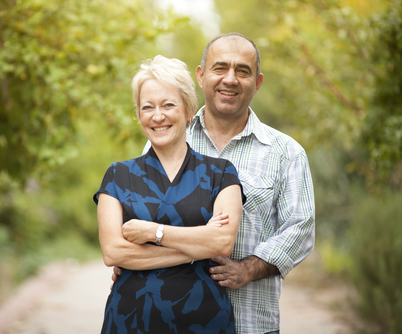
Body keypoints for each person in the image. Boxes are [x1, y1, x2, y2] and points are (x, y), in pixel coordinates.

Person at [113, 33, 315, 334]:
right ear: (201, 75)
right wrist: (131, 256)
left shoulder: (285, 153)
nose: (230, 79)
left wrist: (248, 268)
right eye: (220, 68)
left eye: (242, 71)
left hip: (250, 322)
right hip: (166, 320)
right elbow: (135, 224)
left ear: (257, 83)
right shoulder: (164, 137)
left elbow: (300, 228)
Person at [94, 55, 245, 333]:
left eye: (168, 105)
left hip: (206, 321)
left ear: (189, 110)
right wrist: (197, 248)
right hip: (130, 321)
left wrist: (154, 233)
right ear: (138, 115)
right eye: (147, 107)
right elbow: (113, 252)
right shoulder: (117, 176)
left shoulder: (221, 174)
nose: (157, 115)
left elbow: (222, 242)